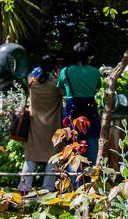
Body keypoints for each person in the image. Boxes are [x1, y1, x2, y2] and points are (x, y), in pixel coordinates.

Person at [57, 42, 103, 182]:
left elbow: (60, 89)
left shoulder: (65, 71)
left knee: (74, 144)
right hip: (90, 108)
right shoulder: (95, 71)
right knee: (92, 142)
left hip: (72, 109)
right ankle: (91, 182)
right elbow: (96, 88)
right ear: (89, 56)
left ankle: (75, 183)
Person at [20, 55, 62, 193]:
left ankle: (24, 187)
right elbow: (64, 92)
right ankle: (47, 189)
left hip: (35, 125)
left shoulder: (32, 81)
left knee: (31, 157)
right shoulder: (55, 83)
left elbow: (32, 75)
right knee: (52, 157)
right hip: (53, 126)